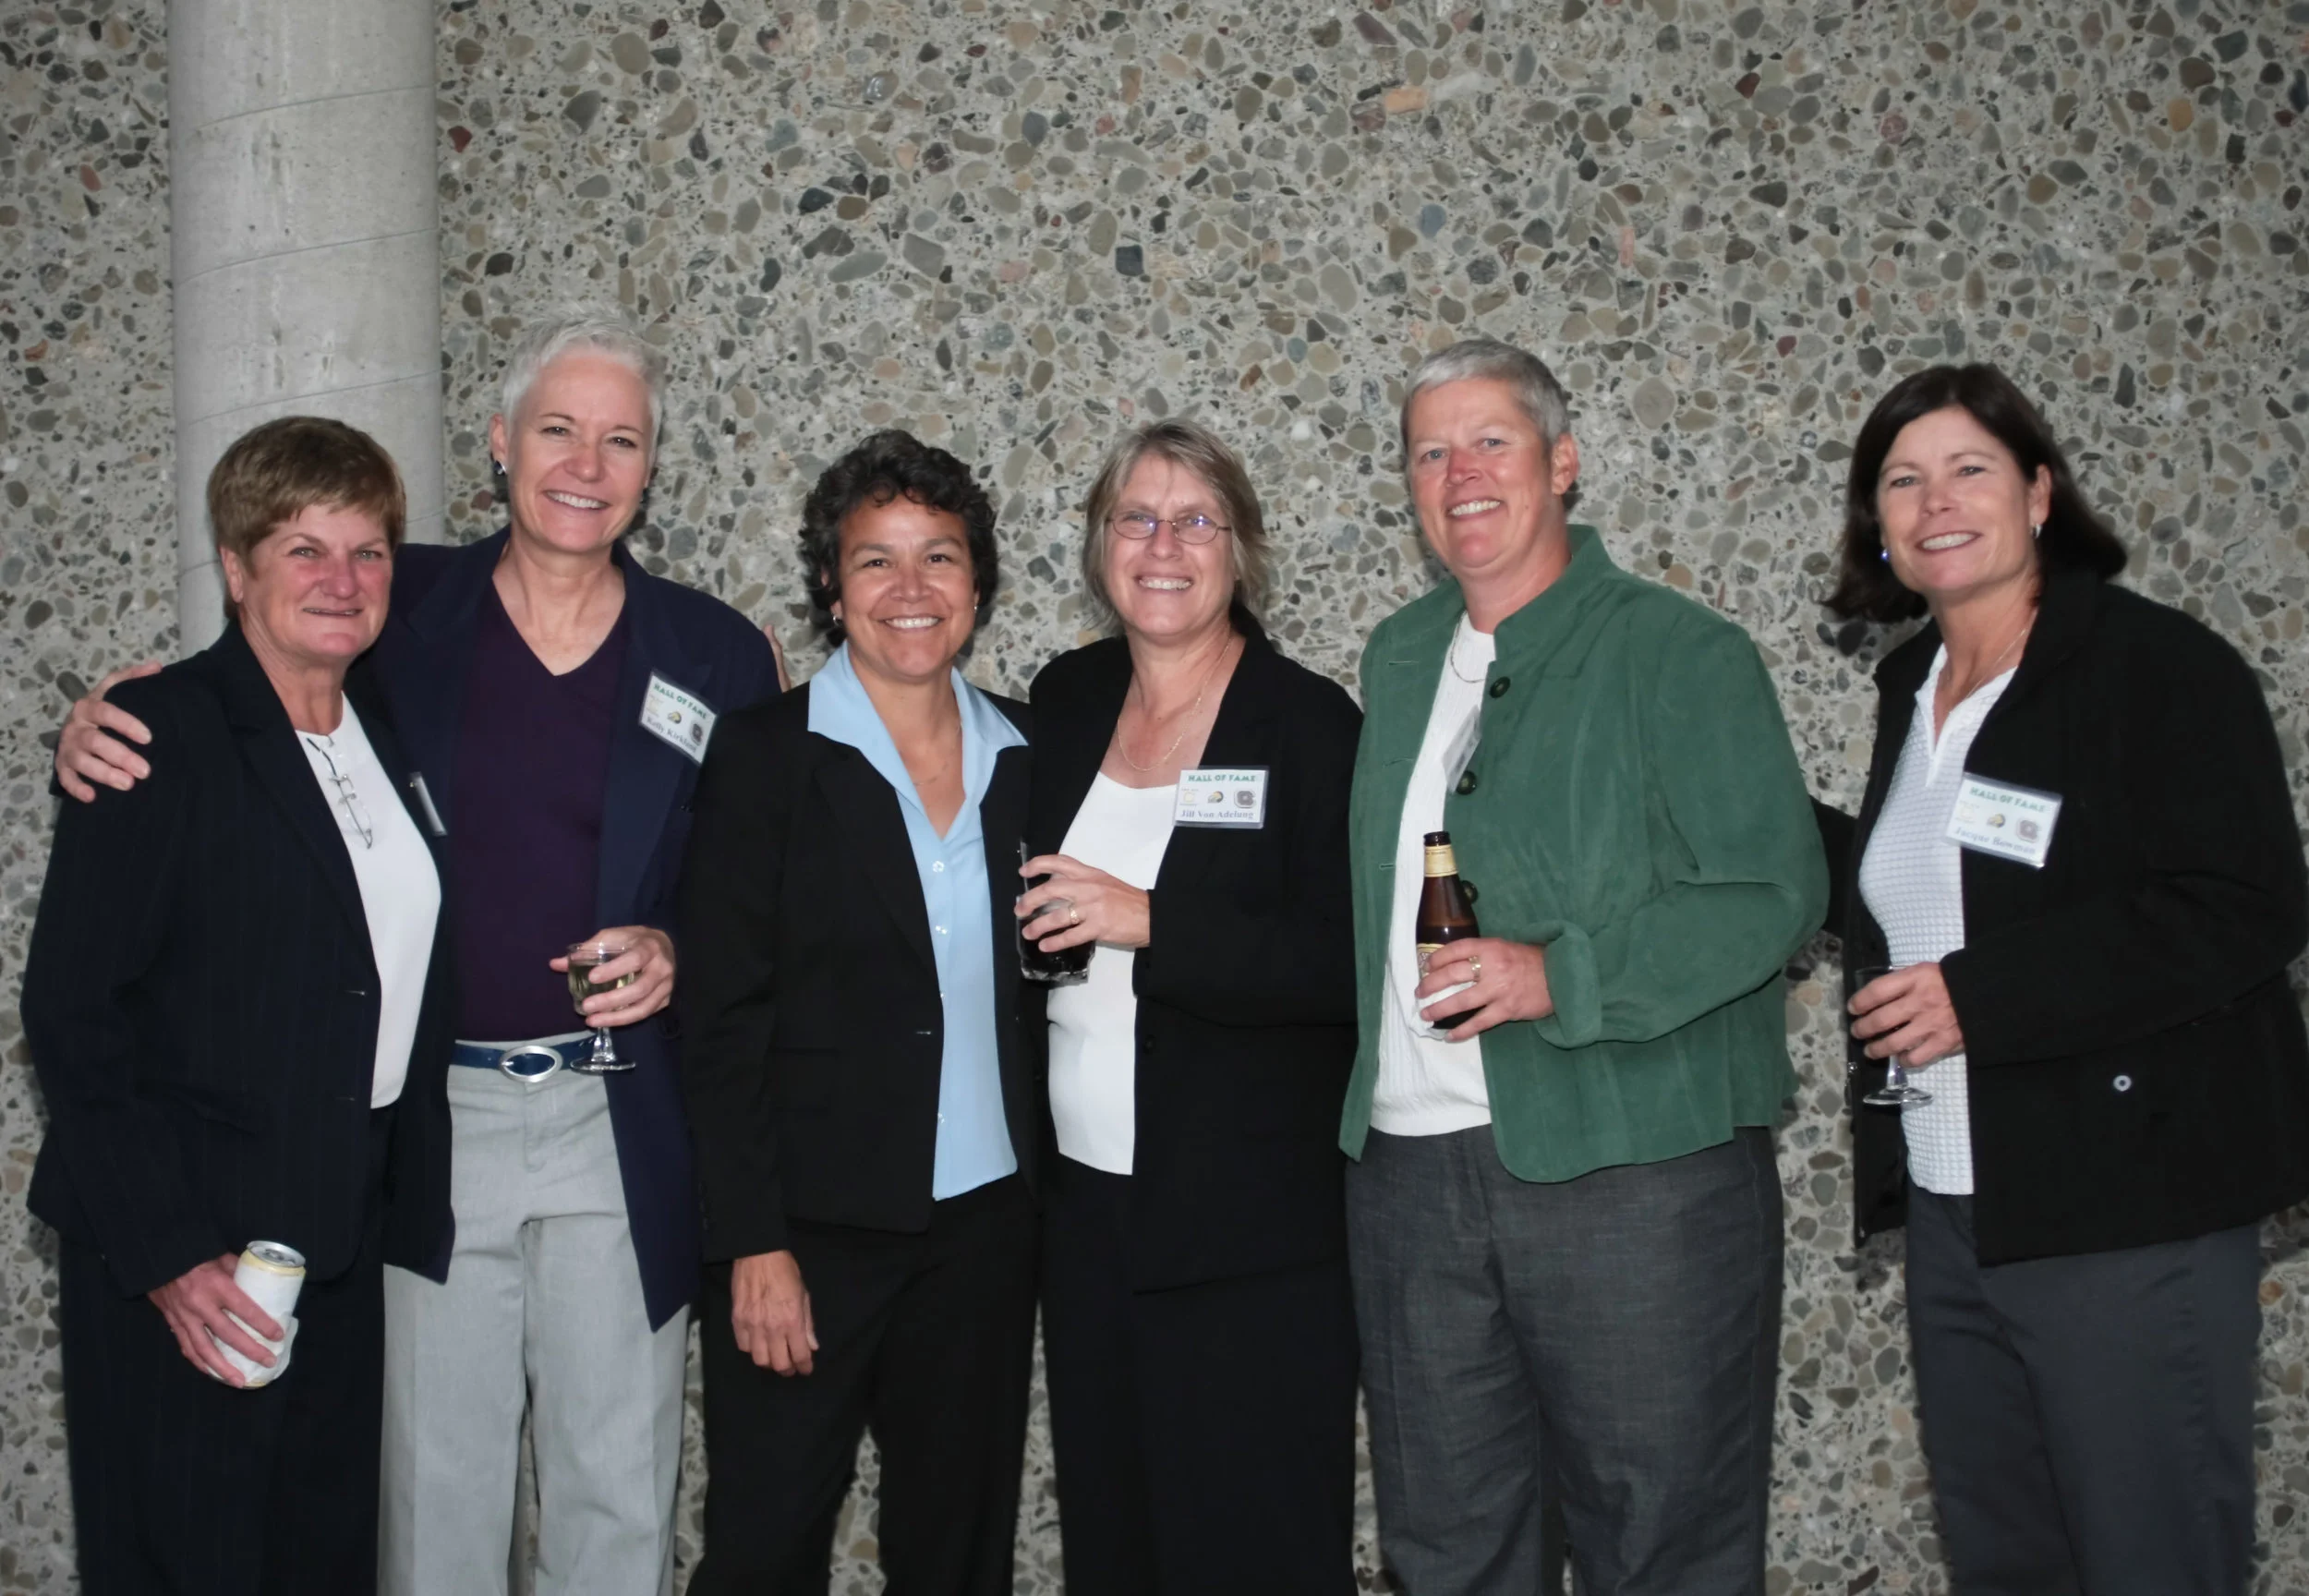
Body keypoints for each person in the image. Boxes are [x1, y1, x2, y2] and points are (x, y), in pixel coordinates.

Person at [53, 308, 781, 1596]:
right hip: (428, 1130)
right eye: (557, 430)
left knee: (619, 1490)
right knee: (434, 1500)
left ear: (650, 467)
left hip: (619, 1116)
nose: (586, 465)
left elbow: (759, 896)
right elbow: (253, 687)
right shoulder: (404, 606)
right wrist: (102, 718)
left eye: (620, 440)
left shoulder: (717, 652)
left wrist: (679, 948)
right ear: (500, 442)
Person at [1339, 338, 1827, 1594]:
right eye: (1430, 453)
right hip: (1411, 1179)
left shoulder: (1679, 650)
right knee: (1448, 1551)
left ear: (1562, 462)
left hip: (1633, 1173)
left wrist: (1561, 976)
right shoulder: (1400, 657)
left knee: (1660, 1546)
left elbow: (1772, 894)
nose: (1459, 475)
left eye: (1489, 442)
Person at [1816, 363, 2309, 1596]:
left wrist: (1981, 998)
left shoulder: (2155, 667)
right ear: (1878, 525)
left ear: (2039, 494)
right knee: (2007, 1561)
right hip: (1954, 1208)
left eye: (1968, 469)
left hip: (2123, 1209)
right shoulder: (1911, 688)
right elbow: (1924, 891)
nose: (1936, 502)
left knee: (2150, 1559)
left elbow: (2242, 903)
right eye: (1903, 481)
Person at [25, 417, 453, 1594]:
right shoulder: (158, 732)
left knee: (321, 1564)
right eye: (304, 550)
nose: (342, 580)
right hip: (191, 1243)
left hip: (339, 1232)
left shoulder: (382, 729)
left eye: (368, 552)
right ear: (234, 567)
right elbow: (72, 1010)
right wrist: (170, 1256)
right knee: (187, 1562)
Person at [676, 429, 1040, 1594]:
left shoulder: (1030, 754)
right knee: (765, 1547)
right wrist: (752, 1242)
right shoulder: (764, 756)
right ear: (833, 590)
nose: (910, 587)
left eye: (939, 556)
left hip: (984, 1233)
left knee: (957, 1553)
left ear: (976, 585)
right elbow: (720, 1017)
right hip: (808, 1236)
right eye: (875, 559)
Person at [1017, 420, 1362, 1594]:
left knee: (1254, 1550)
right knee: (1114, 1541)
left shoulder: (1308, 726)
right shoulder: (1066, 700)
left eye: (1195, 520)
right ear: (1099, 545)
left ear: (1241, 550)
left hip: (1250, 1234)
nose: (1162, 545)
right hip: (1088, 1215)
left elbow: (1351, 966)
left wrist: (1155, 920)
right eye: (1137, 518)